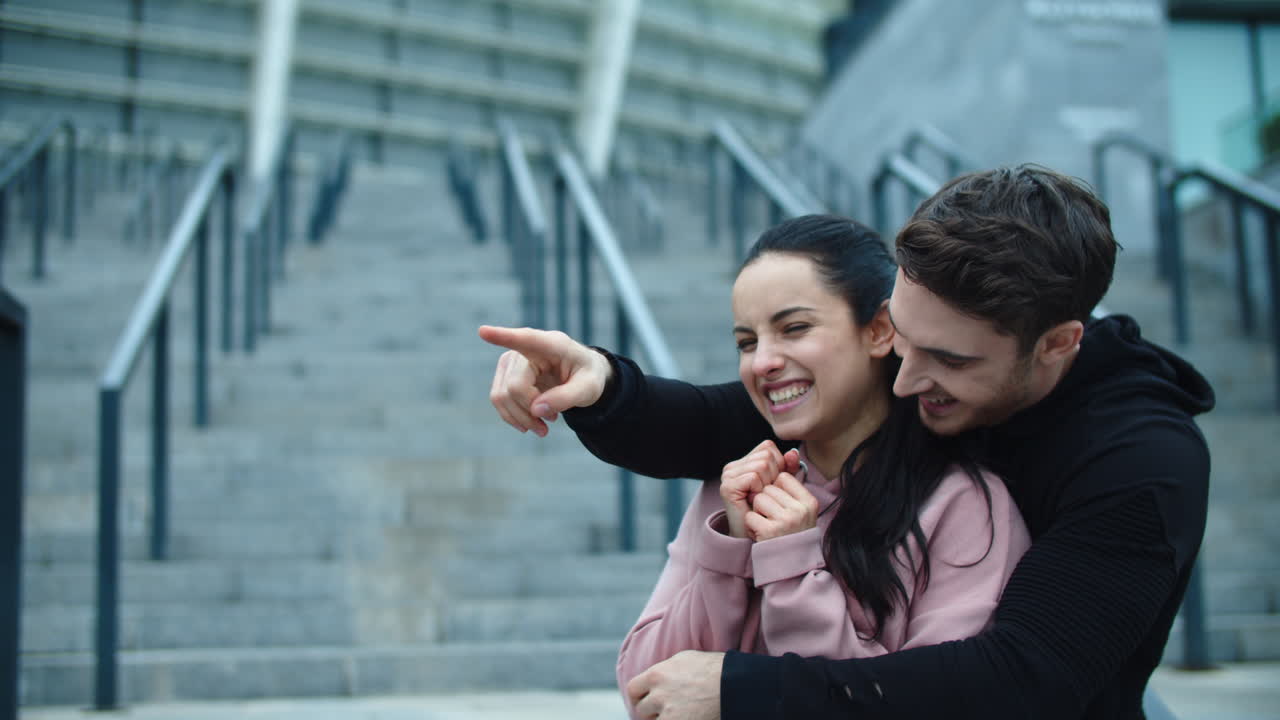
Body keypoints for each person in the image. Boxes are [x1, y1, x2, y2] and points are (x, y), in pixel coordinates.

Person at [480, 164, 1215, 719]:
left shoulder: (1141, 465)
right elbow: (713, 420)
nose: (902, 379)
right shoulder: (891, 372)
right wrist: (601, 382)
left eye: (948, 362)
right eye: (902, 338)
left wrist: (744, 688)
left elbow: (1021, 682)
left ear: (1057, 344)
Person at [612, 216, 1030, 717]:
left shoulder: (964, 505)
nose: (762, 361)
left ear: (878, 331)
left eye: (795, 328)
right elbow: (647, 691)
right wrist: (732, 551)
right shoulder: (734, 492)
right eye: (747, 342)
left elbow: (932, 702)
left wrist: (792, 565)